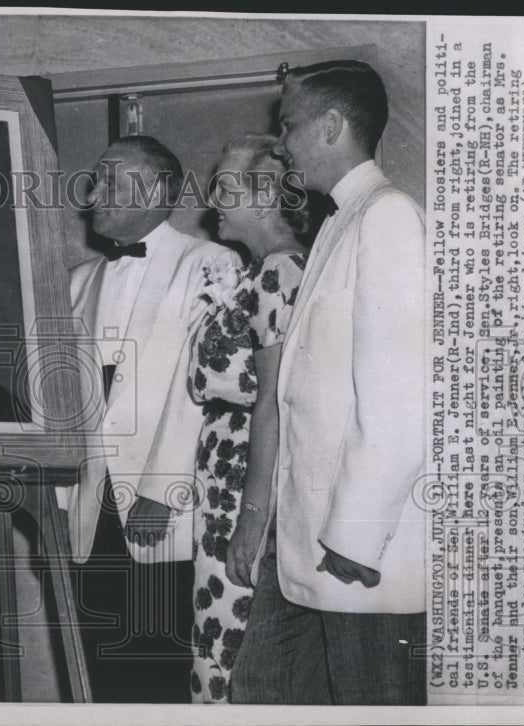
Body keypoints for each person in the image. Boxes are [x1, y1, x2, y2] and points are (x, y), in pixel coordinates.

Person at [230, 60, 427, 705]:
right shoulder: (341, 221)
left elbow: (398, 400)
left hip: (354, 551)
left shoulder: (388, 217)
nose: (280, 145)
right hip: (302, 545)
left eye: (288, 126)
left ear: (332, 125)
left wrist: (355, 537)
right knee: (261, 699)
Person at [59, 135, 241, 702]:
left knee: (161, 662)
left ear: (160, 190)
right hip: (90, 500)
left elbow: (206, 388)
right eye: (96, 177)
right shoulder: (77, 279)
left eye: (113, 177)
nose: (96, 191)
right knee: (98, 661)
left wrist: (162, 489)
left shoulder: (210, 261)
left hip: (161, 500)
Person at [187, 134, 311, 703]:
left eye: (224, 188)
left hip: (243, 481)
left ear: (262, 200)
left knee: (228, 644)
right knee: (218, 637)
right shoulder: (262, 271)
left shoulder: (279, 274)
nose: (213, 200)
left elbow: (274, 401)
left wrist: (251, 520)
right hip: (224, 479)